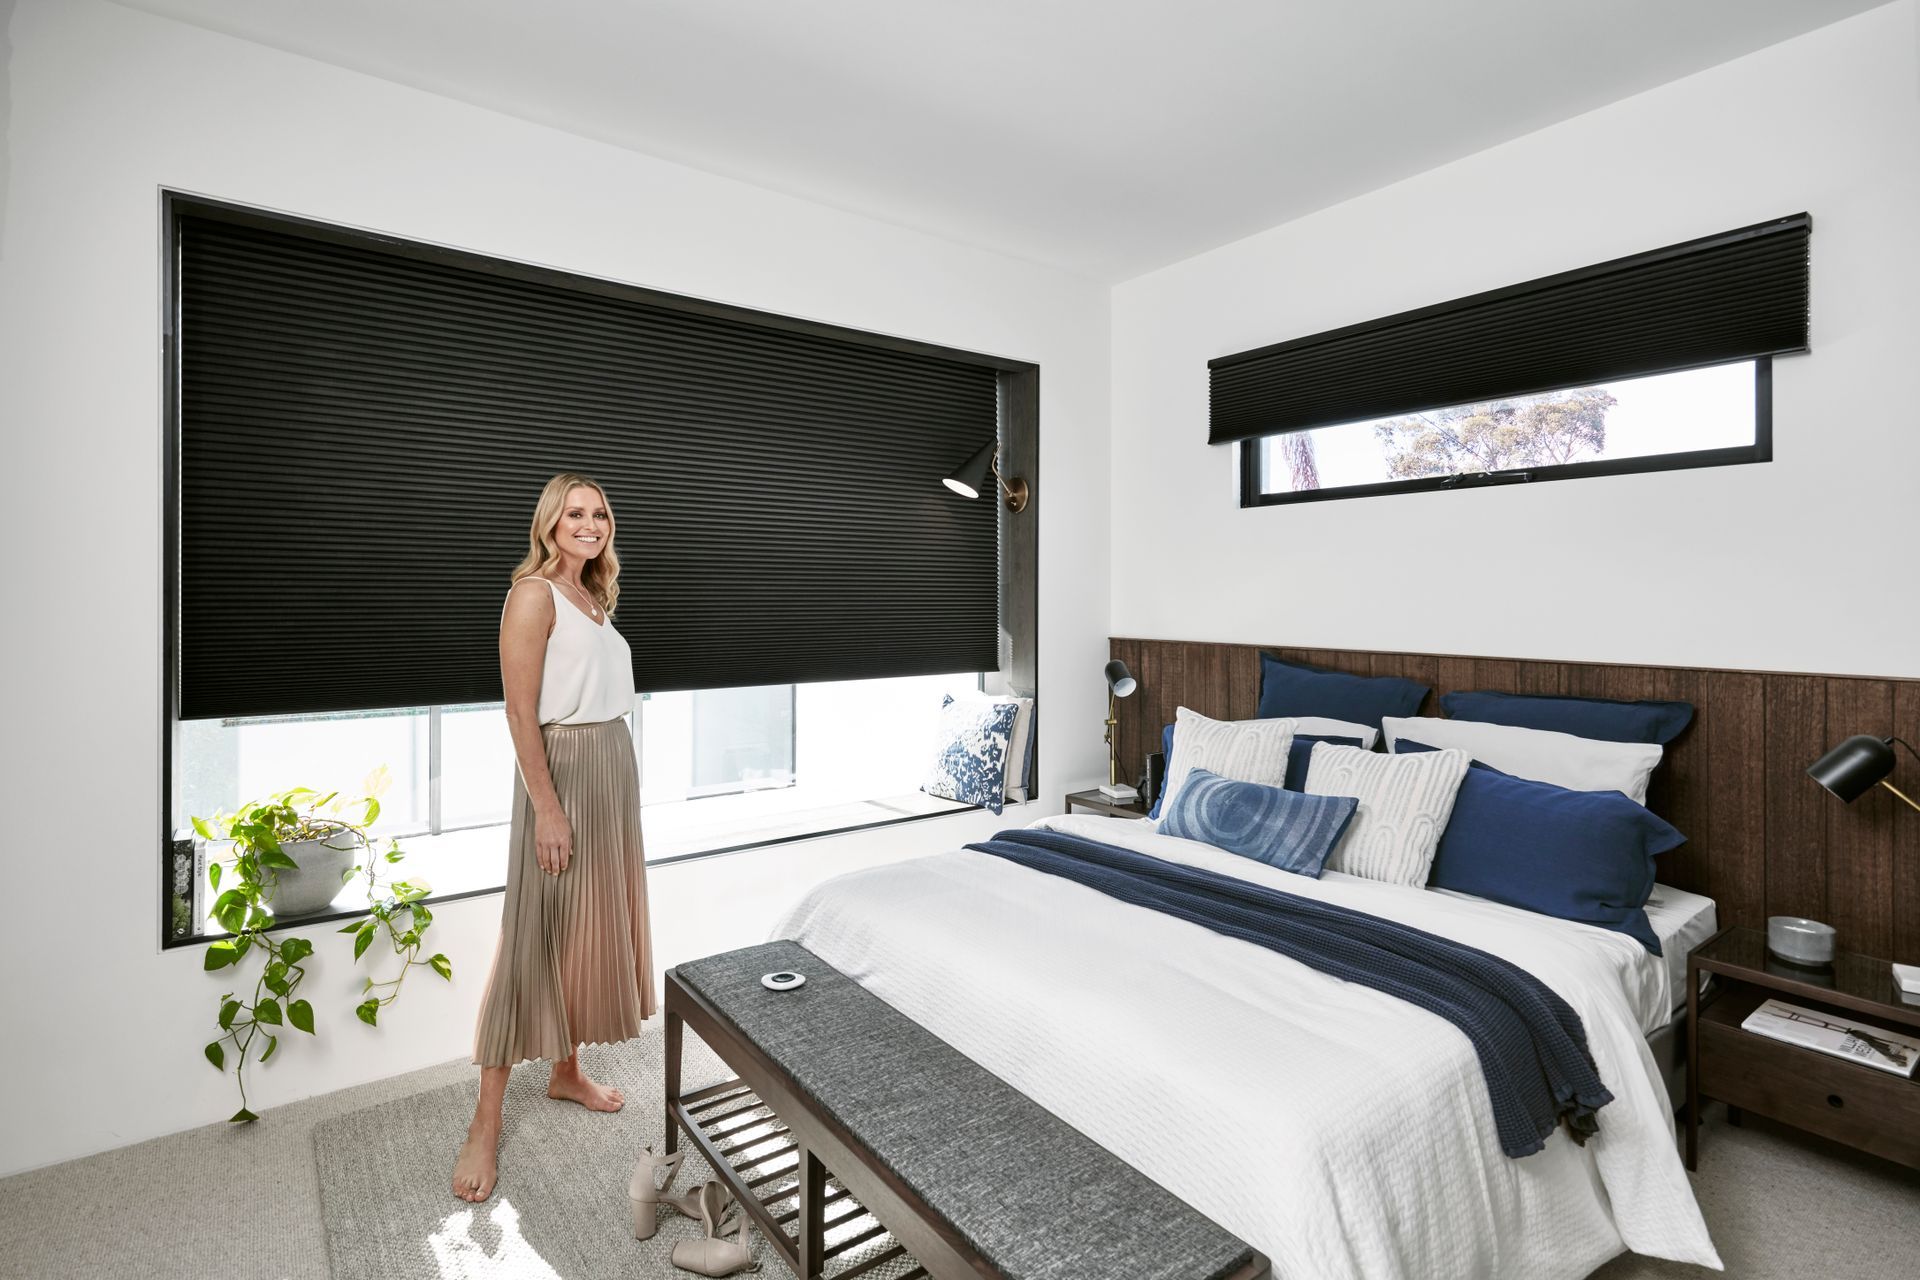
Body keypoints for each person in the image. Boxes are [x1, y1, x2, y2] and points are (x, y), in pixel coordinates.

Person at [452, 472, 658, 1203]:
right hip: (563, 772)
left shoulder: (592, 598)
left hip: (609, 769)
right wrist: (547, 808)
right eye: (575, 512)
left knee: (580, 931)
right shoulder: (533, 595)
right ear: (549, 523)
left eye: (600, 512)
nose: (589, 522)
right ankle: (485, 1120)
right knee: (535, 934)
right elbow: (519, 711)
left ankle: (566, 1071)